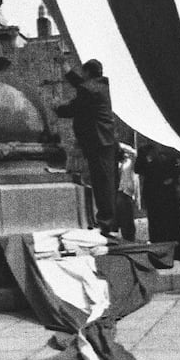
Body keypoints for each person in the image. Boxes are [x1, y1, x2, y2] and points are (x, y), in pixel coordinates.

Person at [55, 59, 118, 235]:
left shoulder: (89, 89)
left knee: (102, 183)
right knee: (104, 181)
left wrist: (57, 108)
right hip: (104, 140)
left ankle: (106, 223)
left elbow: (74, 107)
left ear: (88, 73)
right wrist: (68, 72)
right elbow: (83, 85)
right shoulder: (99, 86)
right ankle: (109, 222)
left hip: (98, 141)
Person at [134, 142, 180, 259]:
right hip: (153, 194)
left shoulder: (167, 148)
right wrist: (147, 160)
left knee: (173, 225)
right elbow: (137, 169)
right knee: (156, 226)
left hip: (168, 194)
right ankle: (159, 254)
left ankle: (179, 253)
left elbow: (176, 170)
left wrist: (171, 179)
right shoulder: (145, 150)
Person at [115, 142, 138, 242]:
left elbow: (134, 153)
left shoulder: (128, 162)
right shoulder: (112, 163)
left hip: (126, 192)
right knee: (118, 218)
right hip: (116, 192)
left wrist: (117, 144)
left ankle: (129, 239)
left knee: (127, 219)